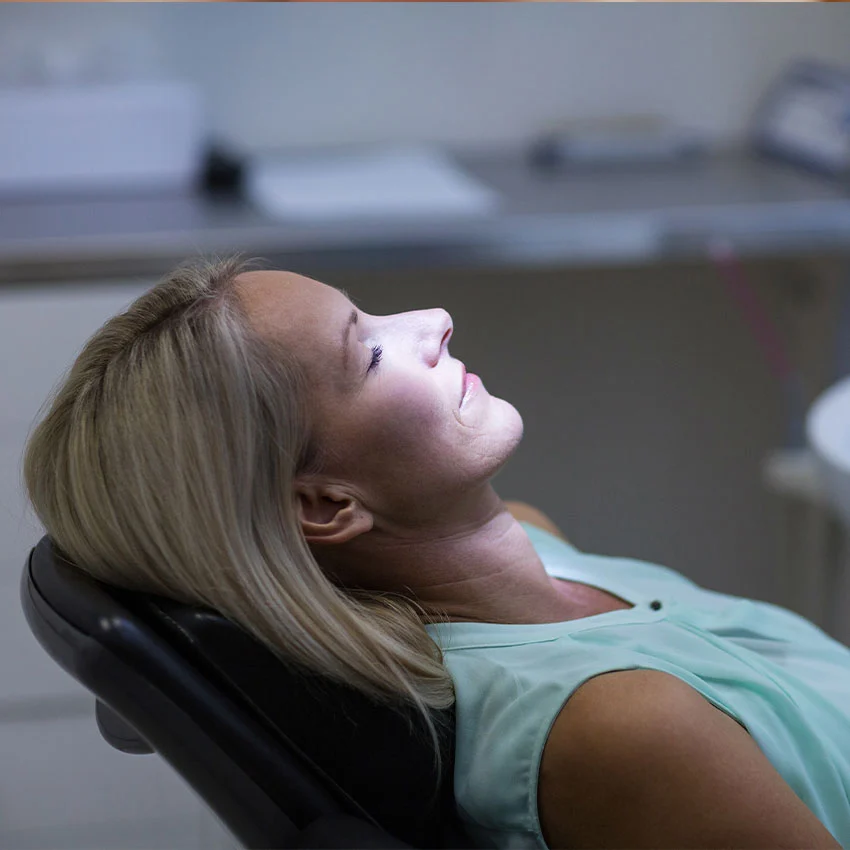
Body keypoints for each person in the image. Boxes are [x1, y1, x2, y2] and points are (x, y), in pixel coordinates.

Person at [23, 257, 847, 849]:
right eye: (370, 353)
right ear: (326, 505)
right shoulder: (622, 729)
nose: (435, 318)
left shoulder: (535, 544)